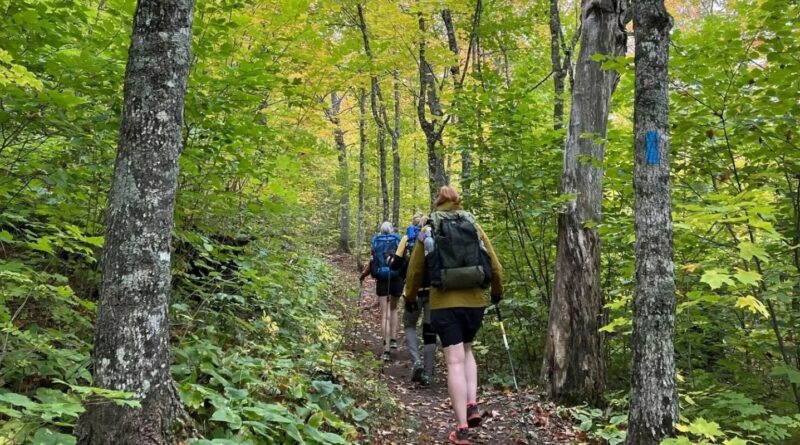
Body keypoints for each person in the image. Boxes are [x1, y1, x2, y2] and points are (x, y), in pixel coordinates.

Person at [403, 186, 503, 445]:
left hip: (444, 303)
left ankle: (461, 429)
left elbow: (415, 270)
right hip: (475, 303)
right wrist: (496, 293)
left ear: (438, 202)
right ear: (458, 201)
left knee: (454, 361)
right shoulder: (472, 223)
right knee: (467, 351)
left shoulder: (428, 229)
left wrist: (410, 297)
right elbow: (494, 264)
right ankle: (472, 404)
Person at [399, 215, 436, 386]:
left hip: (415, 291)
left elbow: (404, 267)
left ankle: (416, 361)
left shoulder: (411, 238)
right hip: (433, 292)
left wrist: (409, 295)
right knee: (430, 333)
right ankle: (428, 373)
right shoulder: (437, 237)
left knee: (409, 324)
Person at [360, 221, 403, 362]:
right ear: (391, 230)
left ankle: (385, 350)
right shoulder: (398, 239)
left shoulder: (375, 241)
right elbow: (403, 259)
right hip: (396, 278)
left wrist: (364, 275)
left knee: (384, 314)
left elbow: (372, 262)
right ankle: (394, 339)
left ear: (380, 230)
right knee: (394, 309)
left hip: (382, 280)